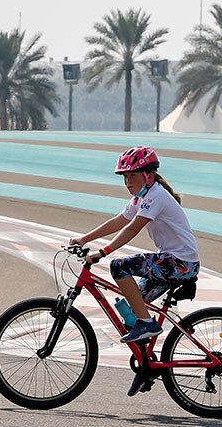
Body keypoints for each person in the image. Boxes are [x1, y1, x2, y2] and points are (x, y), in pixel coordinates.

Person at [68, 146, 200, 344]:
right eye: (125, 177)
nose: (128, 182)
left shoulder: (156, 196)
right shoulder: (142, 198)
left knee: (119, 266)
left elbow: (132, 229)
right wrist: (84, 239)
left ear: (149, 176)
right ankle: (145, 367)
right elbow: (118, 222)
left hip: (180, 263)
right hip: (173, 262)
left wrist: (103, 252)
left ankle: (147, 323)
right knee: (133, 310)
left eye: (133, 176)